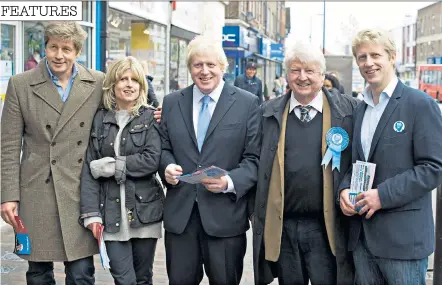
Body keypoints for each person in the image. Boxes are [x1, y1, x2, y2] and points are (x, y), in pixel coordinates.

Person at [0, 21, 103, 284]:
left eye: (66, 49)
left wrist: (155, 115)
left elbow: (123, 110)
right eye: (53, 47)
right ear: (45, 47)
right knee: (38, 273)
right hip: (36, 189)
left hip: (80, 189)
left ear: (77, 51)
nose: (59, 55)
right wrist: (8, 196)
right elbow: (9, 146)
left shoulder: (98, 82)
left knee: (81, 272)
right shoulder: (21, 84)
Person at [339, 28, 442, 285]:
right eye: (362, 57)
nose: (368, 63)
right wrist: (343, 190)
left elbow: (433, 167)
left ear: (392, 57)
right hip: (363, 241)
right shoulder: (360, 108)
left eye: (375, 55)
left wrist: (382, 195)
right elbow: (356, 164)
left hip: (403, 244)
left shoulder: (419, 104)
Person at [158, 35, 261, 285]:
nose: (204, 71)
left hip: (225, 220)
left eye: (211, 65)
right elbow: (163, 147)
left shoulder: (247, 104)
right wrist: (166, 167)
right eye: (197, 65)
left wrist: (229, 181)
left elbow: (254, 159)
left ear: (223, 67)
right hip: (181, 220)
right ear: (190, 68)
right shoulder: (172, 103)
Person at [253, 41, 358, 285]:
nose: (302, 77)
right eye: (295, 70)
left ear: (322, 75)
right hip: (285, 229)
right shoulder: (267, 114)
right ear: (287, 75)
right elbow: (252, 161)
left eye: (310, 71)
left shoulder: (349, 112)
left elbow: (361, 159)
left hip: (327, 228)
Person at [79, 57, 163, 285]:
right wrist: (91, 214)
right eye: (123, 79)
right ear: (112, 85)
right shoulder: (99, 119)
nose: (129, 84)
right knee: (123, 279)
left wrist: (111, 166)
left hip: (144, 214)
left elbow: (151, 160)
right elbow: (89, 169)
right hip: (110, 213)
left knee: (143, 278)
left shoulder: (151, 117)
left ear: (142, 85)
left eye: (135, 79)